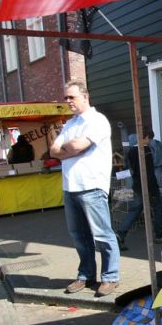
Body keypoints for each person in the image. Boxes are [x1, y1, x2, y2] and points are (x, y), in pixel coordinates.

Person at [49, 81, 120, 297]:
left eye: (72, 97)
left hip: (92, 186)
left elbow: (76, 146)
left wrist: (69, 148)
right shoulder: (70, 124)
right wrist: (71, 148)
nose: (68, 101)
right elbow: (53, 150)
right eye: (66, 98)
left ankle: (110, 277)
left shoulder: (97, 120)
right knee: (79, 236)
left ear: (85, 96)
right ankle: (86, 275)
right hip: (70, 187)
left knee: (102, 234)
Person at [116, 128, 162, 250]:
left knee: (135, 210)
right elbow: (149, 171)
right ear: (146, 137)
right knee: (157, 208)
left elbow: (131, 168)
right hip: (149, 185)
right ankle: (160, 234)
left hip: (137, 184)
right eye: (150, 139)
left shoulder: (131, 151)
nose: (150, 141)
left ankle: (120, 233)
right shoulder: (146, 150)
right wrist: (154, 187)